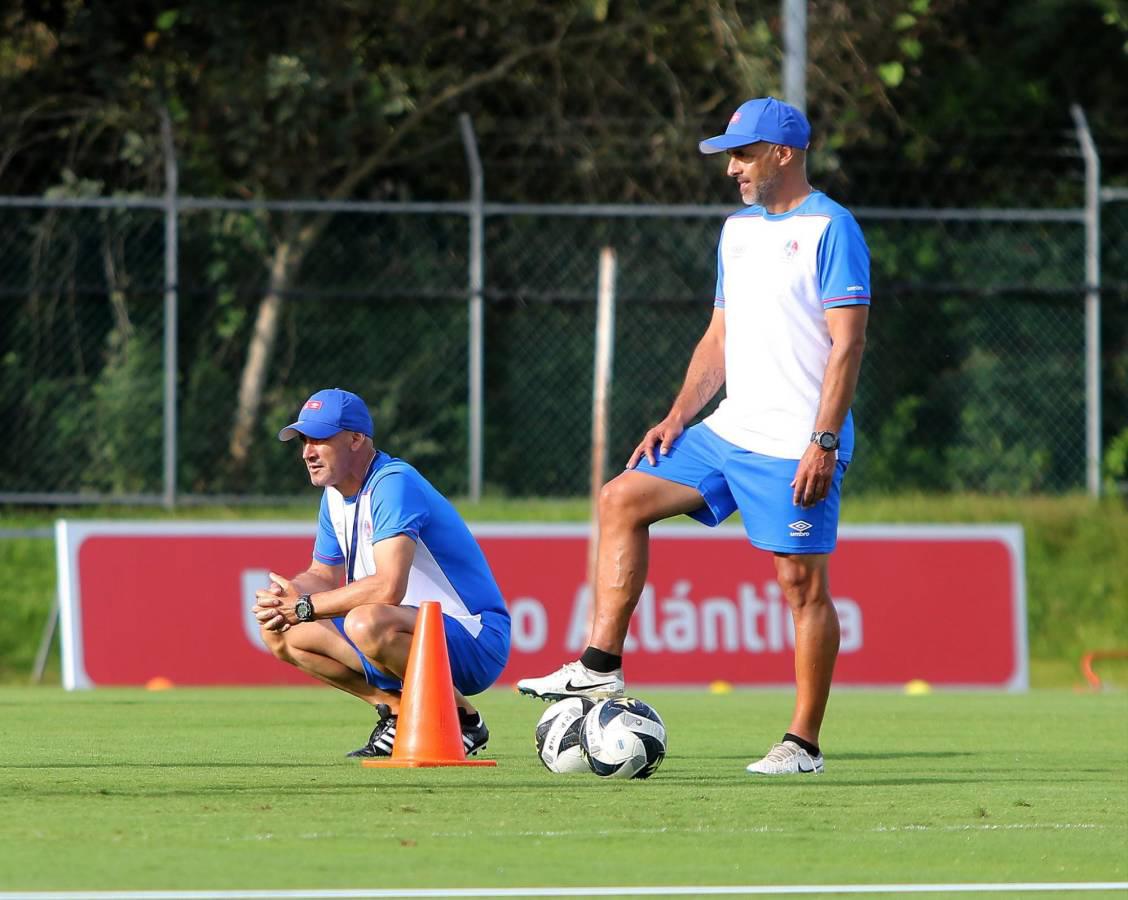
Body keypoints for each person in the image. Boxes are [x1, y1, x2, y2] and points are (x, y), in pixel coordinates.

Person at [517, 97, 870, 776]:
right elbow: (719, 336)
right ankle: (598, 665)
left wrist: (823, 441)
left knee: (801, 586)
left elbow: (848, 345)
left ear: (783, 154)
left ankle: (802, 744)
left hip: (794, 443)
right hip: (725, 430)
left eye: (741, 154)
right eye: (729, 156)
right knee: (621, 498)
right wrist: (679, 415)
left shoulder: (833, 229)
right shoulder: (736, 231)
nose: (732, 168)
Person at [253, 388, 510, 758]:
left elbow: (389, 587)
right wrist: (287, 598)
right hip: (402, 628)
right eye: (305, 440)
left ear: (356, 439)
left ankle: (462, 720)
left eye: (320, 439)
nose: (307, 452)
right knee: (281, 633)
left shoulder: (393, 482)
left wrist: (305, 607)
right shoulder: (334, 495)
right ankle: (396, 711)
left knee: (365, 621)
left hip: (475, 636)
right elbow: (322, 574)